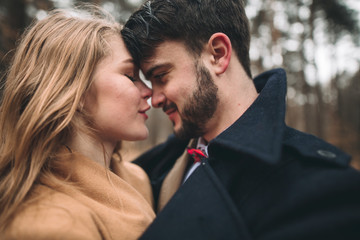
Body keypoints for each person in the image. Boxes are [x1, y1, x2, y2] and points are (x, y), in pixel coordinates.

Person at [121, 0, 360, 239]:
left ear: (218, 54)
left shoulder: (320, 189)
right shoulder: (155, 164)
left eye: (161, 76)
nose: (155, 98)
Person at [0, 5, 156, 239]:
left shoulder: (138, 179)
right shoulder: (48, 224)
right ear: (76, 90)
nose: (148, 91)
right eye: (130, 76)